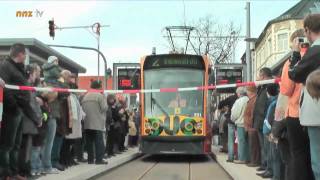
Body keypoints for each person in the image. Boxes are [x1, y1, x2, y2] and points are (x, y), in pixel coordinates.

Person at [273, 29, 314, 180]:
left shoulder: (291, 62)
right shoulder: (315, 57)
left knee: (298, 155)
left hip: (296, 114)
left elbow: (285, 90)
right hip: (315, 114)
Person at [288, 14, 320, 180]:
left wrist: (295, 54)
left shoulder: (315, 50)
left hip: (316, 113)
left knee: (317, 162)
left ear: (307, 30)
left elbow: (295, 74)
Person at [0, 43, 38, 179]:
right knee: (7, 145)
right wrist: (15, 106)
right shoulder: (5, 66)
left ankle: (14, 173)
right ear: (20, 54)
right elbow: (6, 89)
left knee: (16, 145)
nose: (26, 56)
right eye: (25, 54)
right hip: (11, 111)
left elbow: (22, 89)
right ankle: (5, 174)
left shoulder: (19, 68)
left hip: (19, 111)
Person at [18, 64, 43, 177]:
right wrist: (37, 119)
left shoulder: (28, 86)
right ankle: (24, 173)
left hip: (26, 122)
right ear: (30, 74)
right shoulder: (27, 87)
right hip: (27, 123)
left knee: (24, 149)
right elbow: (30, 106)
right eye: (34, 74)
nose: (36, 76)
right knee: (25, 150)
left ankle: (24, 172)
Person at [82, 80, 108, 164]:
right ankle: (99, 159)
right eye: (101, 86)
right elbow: (104, 108)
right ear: (98, 87)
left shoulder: (85, 96)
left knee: (89, 142)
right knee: (98, 142)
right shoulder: (99, 96)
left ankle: (90, 159)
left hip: (87, 123)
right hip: (97, 123)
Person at [252, 67, 273, 172]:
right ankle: (264, 165)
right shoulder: (262, 88)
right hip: (260, 121)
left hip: (265, 121)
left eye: (259, 76)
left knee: (267, 146)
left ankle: (269, 167)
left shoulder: (270, 86)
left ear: (263, 76)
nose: (258, 78)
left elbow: (268, 104)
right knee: (263, 146)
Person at [258, 84, 279, 179]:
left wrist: (268, 130)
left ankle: (271, 171)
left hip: (270, 130)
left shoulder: (272, 102)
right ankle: (270, 171)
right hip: (271, 129)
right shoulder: (274, 101)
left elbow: (268, 117)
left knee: (271, 153)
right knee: (271, 152)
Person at [231, 87, 249, 164]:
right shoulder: (248, 99)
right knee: (247, 142)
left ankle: (242, 158)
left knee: (241, 142)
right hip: (248, 124)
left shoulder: (239, 101)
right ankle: (248, 157)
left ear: (239, 93)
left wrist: (233, 119)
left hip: (240, 124)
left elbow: (235, 113)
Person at [244, 85, 259, 167]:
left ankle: (255, 161)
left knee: (254, 146)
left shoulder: (254, 100)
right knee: (252, 145)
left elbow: (253, 113)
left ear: (250, 91)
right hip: (250, 127)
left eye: (247, 90)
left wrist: (250, 123)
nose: (246, 92)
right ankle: (253, 160)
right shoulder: (251, 100)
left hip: (251, 127)